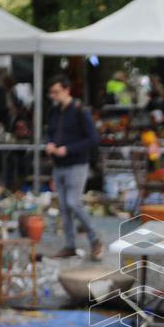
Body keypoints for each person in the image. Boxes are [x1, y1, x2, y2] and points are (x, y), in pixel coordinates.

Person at [45, 74, 102, 259]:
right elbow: (50, 133)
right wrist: (50, 144)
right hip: (59, 165)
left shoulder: (80, 110)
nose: (53, 96)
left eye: (56, 92)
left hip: (77, 164)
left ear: (66, 90)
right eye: (51, 92)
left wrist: (68, 149)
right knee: (63, 206)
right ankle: (70, 244)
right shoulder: (54, 112)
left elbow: (93, 139)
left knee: (73, 202)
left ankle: (95, 238)